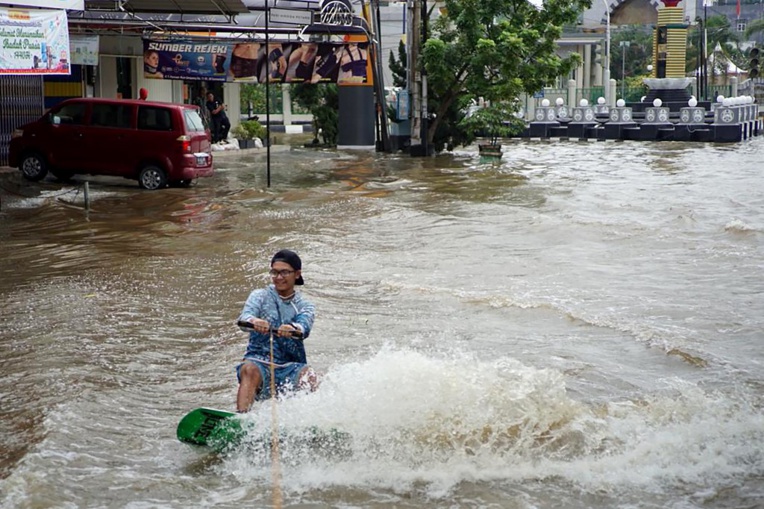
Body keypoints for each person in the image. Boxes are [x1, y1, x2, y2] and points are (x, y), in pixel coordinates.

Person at [236, 250, 319, 412]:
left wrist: (293, 328)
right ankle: (241, 418)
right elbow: (244, 319)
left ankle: (314, 422)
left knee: (311, 377)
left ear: (297, 274)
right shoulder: (259, 296)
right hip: (259, 361)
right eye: (274, 272)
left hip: (291, 365)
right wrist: (255, 321)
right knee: (249, 369)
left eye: (284, 272)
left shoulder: (305, 305)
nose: (279, 277)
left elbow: (304, 327)